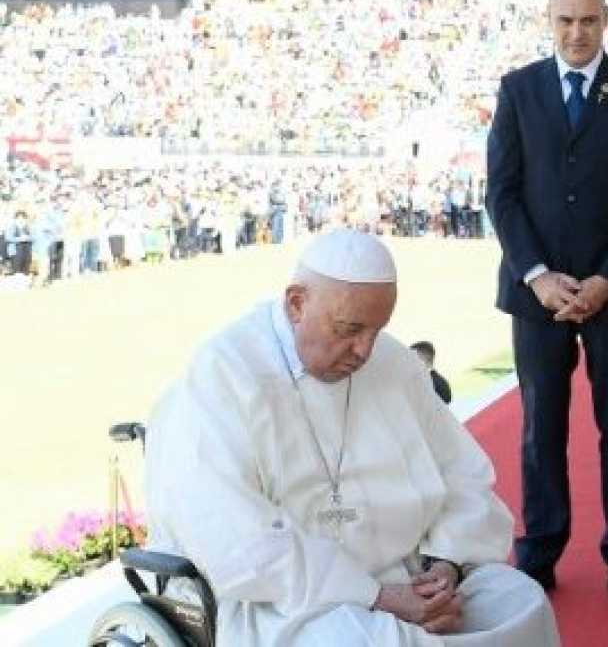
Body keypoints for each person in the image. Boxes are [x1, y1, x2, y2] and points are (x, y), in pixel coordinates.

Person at [143, 229, 557, 645]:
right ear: (296, 303)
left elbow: (462, 475)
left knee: (520, 602)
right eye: (349, 329)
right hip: (288, 602)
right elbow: (234, 536)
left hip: (411, 571)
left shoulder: (392, 362)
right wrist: (378, 597)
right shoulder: (226, 373)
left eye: (376, 331)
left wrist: (444, 567)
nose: (363, 351)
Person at [486, 0, 608, 613]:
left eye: (588, 20)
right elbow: (502, 195)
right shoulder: (518, 90)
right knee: (541, 431)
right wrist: (537, 277)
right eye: (565, 20)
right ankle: (537, 557)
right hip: (536, 300)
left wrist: (605, 280)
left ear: (606, 20)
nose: (576, 33)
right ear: (549, 18)